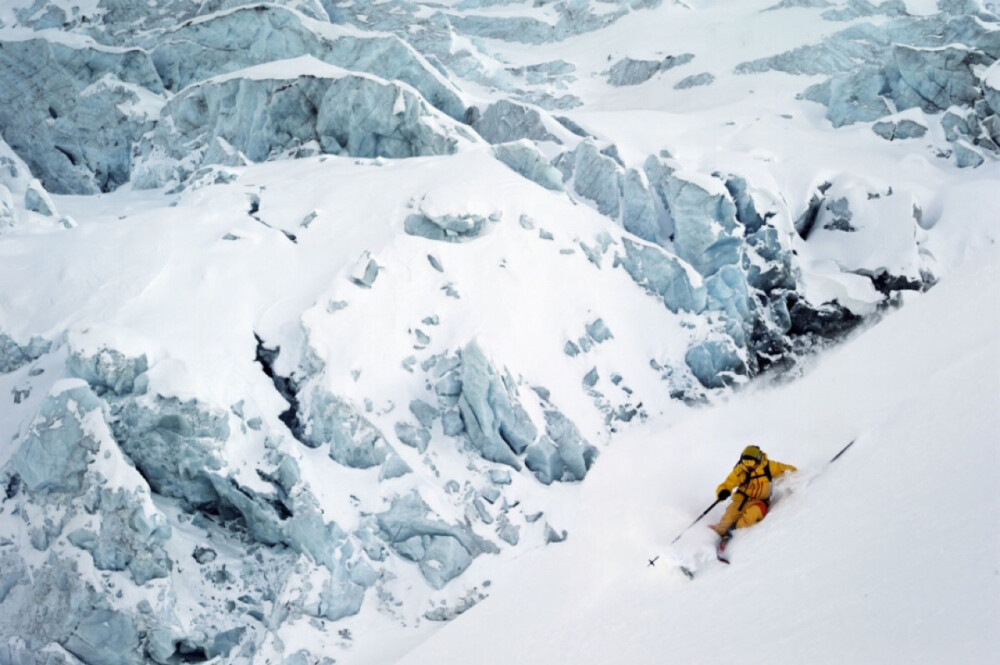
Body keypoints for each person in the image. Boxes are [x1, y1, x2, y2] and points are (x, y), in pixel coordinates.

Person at [710, 445, 796, 538]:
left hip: (760, 502)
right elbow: (727, 484)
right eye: (745, 461)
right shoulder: (740, 470)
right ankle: (713, 535)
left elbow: (789, 470)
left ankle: (734, 530)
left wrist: (795, 478)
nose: (747, 465)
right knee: (726, 521)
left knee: (750, 517)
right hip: (740, 501)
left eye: (750, 462)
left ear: (758, 460)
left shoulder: (769, 467)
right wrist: (723, 491)